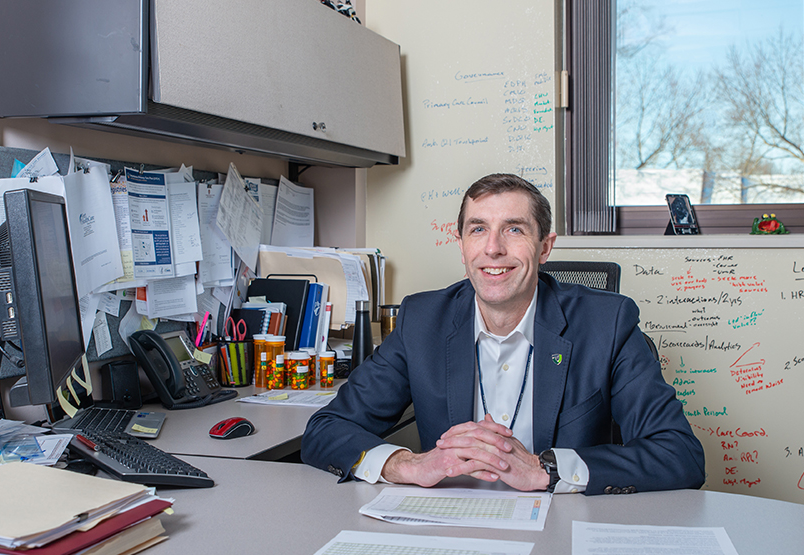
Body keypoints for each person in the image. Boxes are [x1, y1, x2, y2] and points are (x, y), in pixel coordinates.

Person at [301, 173, 705, 495]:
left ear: (544, 247)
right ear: (461, 246)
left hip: (561, 528)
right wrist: (409, 464)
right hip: (449, 528)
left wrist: (544, 469)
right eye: (478, 229)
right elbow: (325, 430)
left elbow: (680, 455)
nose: (492, 248)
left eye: (513, 229)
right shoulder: (422, 320)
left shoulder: (607, 323)